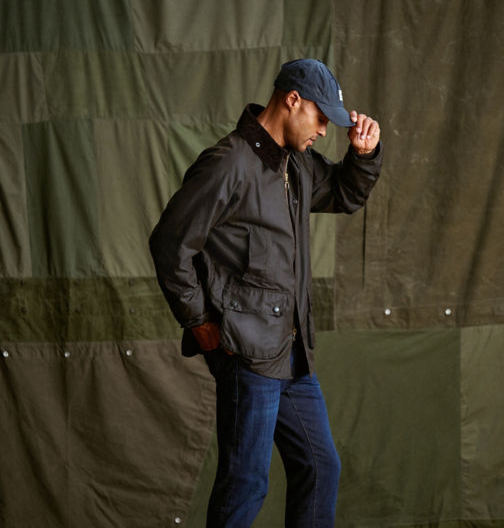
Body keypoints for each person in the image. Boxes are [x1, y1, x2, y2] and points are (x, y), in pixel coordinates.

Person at [149, 58, 382, 527]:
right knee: (246, 483)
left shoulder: (296, 164)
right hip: (247, 354)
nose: (322, 132)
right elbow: (171, 244)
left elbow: (342, 194)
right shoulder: (228, 163)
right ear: (292, 100)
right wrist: (200, 323)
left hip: (292, 351)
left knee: (320, 468)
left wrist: (362, 155)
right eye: (320, 119)